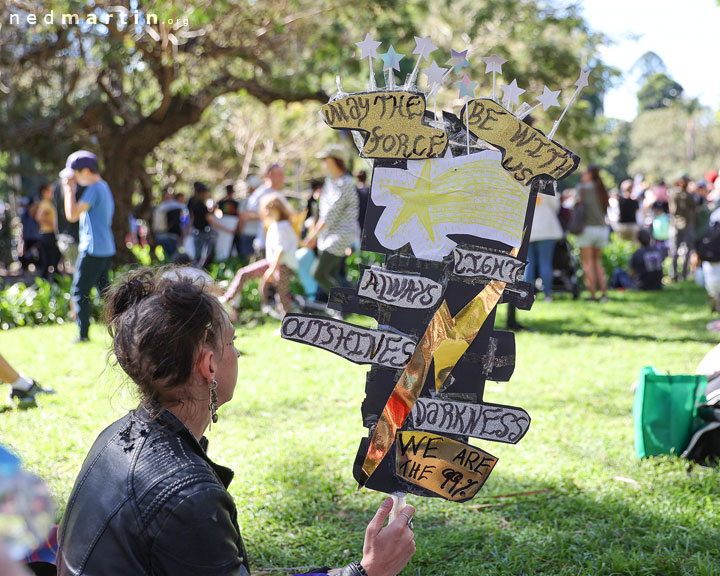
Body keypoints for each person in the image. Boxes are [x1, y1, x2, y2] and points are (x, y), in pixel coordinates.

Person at [56, 267, 416, 576]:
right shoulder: (188, 496)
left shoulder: (118, 434)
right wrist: (368, 570)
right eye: (232, 341)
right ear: (208, 365)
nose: (238, 352)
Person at [61, 150, 115, 343]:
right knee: (106, 292)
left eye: (74, 174)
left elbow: (72, 215)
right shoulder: (104, 186)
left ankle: (83, 335)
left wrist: (69, 189)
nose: (73, 178)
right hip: (105, 247)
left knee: (79, 290)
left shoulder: (94, 189)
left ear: (85, 171)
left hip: (93, 248)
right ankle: (120, 326)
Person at [221, 194, 297, 320]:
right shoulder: (275, 225)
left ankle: (291, 325)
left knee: (282, 295)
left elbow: (281, 250)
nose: (266, 212)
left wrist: (272, 270)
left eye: (269, 209)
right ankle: (227, 299)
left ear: (278, 208)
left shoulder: (283, 226)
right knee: (244, 273)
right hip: (271, 263)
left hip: (282, 265)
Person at [305, 145, 359, 294]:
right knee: (334, 276)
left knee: (318, 273)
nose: (322, 162)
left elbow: (330, 215)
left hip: (338, 237)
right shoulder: (330, 182)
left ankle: (343, 304)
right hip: (327, 236)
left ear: (336, 160)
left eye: (325, 159)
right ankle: (346, 306)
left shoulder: (345, 183)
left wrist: (312, 236)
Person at [574, 165, 610, 302]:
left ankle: (593, 295)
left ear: (589, 174)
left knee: (587, 263)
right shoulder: (602, 189)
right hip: (602, 229)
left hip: (587, 229)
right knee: (597, 262)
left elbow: (576, 207)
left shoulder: (582, 189)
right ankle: (604, 294)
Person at [187, 182, 235, 269]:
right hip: (203, 233)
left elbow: (191, 218)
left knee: (197, 256)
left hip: (196, 232)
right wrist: (227, 229)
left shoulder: (192, 201)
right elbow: (212, 221)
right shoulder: (200, 205)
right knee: (204, 257)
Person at [525, 192, 563, 301]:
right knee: (545, 263)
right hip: (547, 229)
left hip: (530, 228)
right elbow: (555, 206)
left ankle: (527, 295)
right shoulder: (548, 183)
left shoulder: (525, 182)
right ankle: (547, 294)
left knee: (529, 263)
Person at [243, 166, 285, 256]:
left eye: (282, 175)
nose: (282, 177)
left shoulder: (280, 194)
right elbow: (249, 214)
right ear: (270, 175)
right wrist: (269, 214)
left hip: (280, 244)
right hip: (264, 244)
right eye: (279, 174)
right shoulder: (260, 193)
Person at [668, 174, 696, 282]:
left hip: (681, 224)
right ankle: (677, 274)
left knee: (678, 250)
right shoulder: (677, 195)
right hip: (681, 224)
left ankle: (678, 274)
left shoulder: (680, 195)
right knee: (677, 250)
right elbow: (674, 211)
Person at [152, 187, 188, 261]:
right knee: (170, 258)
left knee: (171, 258)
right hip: (163, 235)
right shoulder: (162, 207)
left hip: (170, 235)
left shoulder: (162, 207)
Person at [35, 183, 61, 280]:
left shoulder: (49, 203)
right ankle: (53, 284)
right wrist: (54, 225)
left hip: (48, 235)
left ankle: (49, 284)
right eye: (51, 191)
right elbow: (40, 216)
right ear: (45, 192)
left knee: (50, 263)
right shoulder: (45, 203)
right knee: (52, 262)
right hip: (48, 235)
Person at [237, 175, 263, 257]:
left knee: (250, 258)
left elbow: (241, 217)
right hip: (259, 233)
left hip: (249, 233)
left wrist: (240, 231)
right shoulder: (264, 200)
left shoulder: (245, 201)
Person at [19, 197, 40, 271]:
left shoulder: (38, 213)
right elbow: (22, 227)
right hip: (28, 238)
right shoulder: (24, 214)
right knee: (26, 255)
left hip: (37, 238)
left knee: (37, 256)